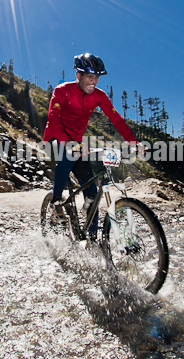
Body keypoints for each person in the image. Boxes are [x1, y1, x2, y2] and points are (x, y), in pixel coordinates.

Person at [43, 53, 139, 239]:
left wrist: (133, 142)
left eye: (96, 77)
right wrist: (67, 142)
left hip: (77, 143)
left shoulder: (99, 96)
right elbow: (53, 119)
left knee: (92, 192)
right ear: (78, 75)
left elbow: (116, 120)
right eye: (89, 76)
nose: (93, 81)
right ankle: (56, 201)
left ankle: (92, 237)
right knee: (67, 157)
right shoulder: (62, 90)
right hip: (55, 138)